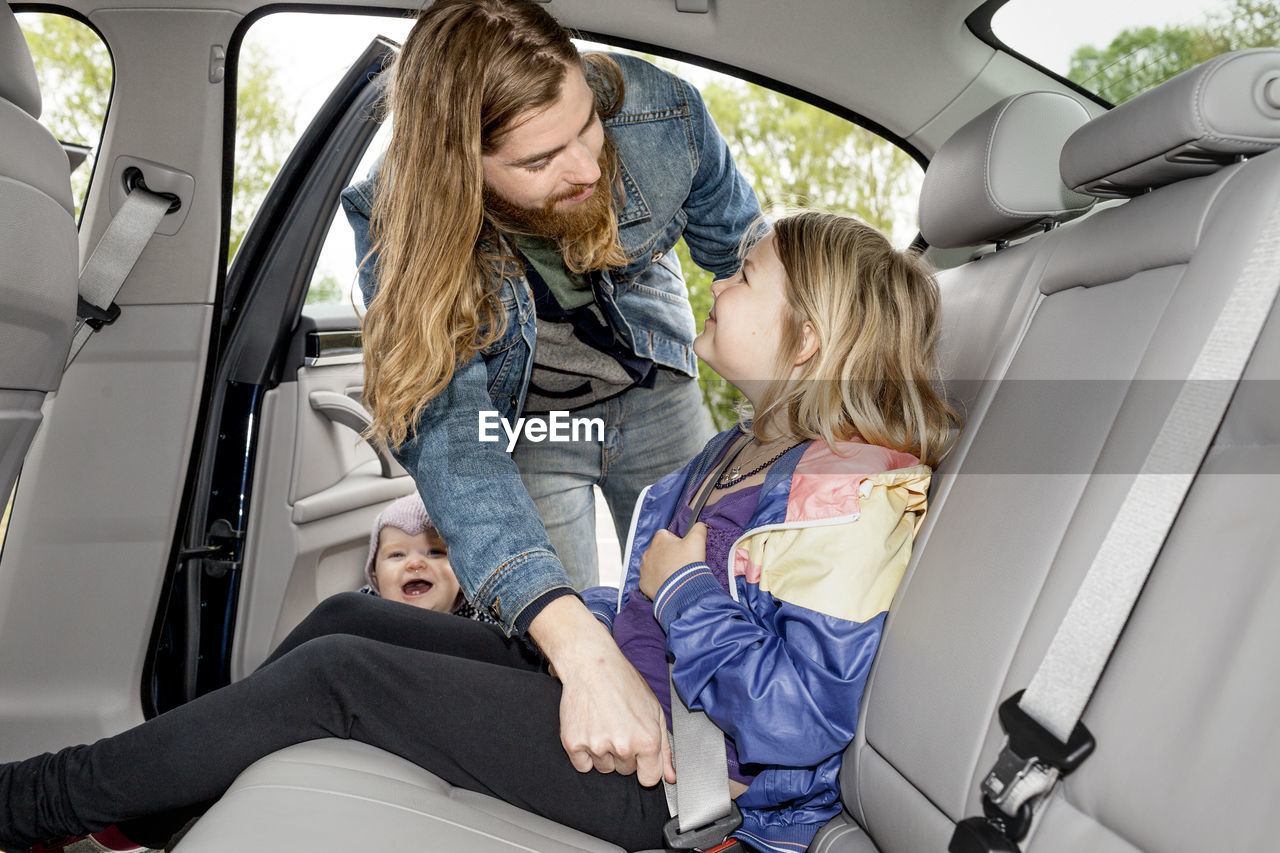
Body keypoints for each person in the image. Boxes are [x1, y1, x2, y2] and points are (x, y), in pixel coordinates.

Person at [0, 211, 959, 853]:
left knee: (341, 679)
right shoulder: (743, 453)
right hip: (641, 706)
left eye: (746, 275)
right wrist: (584, 631)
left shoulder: (848, 495)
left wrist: (679, 589)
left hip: (685, 777)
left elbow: (797, 720)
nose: (716, 283)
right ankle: (164, 805)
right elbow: (644, 618)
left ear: (808, 343)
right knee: (349, 618)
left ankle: (41, 801)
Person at [341, 0, 762, 786]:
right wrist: (574, 642)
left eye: (587, 127)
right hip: (530, 422)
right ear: (459, 167)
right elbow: (453, 435)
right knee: (566, 642)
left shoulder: (660, 115)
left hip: (654, 389)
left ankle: (729, 778)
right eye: (541, 161)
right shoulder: (394, 214)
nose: (588, 169)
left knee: (714, 588)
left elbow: (755, 267)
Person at [358, 492, 491, 621]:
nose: (415, 563)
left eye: (435, 552)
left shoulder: (485, 621)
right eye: (397, 554)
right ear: (375, 579)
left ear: (465, 579)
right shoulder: (362, 615)